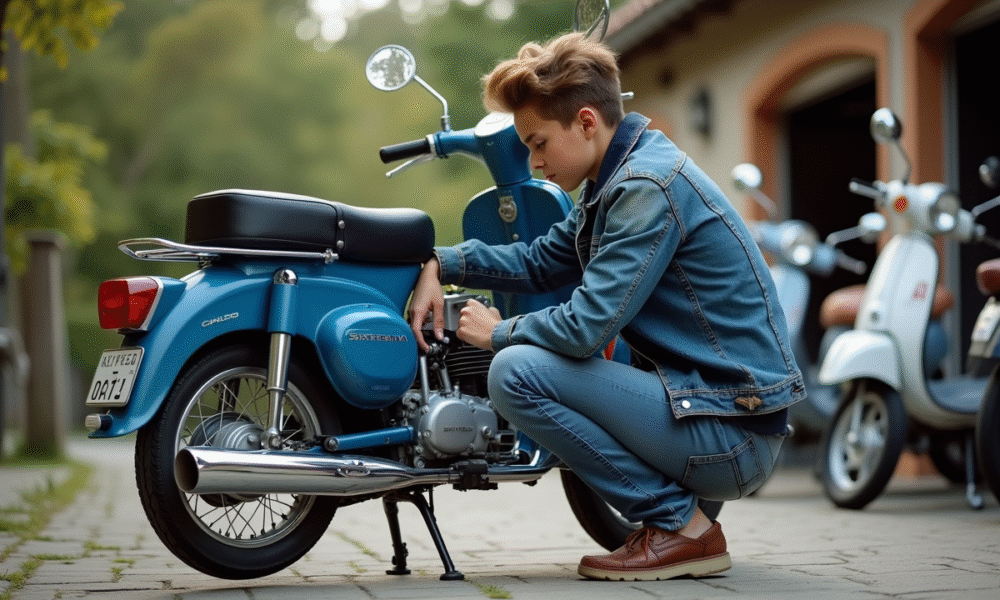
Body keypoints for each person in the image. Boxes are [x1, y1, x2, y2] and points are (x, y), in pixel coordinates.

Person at [408, 31, 804, 581]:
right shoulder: (615, 178)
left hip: (733, 430)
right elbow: (541, 262)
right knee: (524, 363)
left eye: (539, 142)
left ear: (587, 122)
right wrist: (439, 261)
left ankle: (682, 530)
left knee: (517, 371)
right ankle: (676, 527)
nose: (534, 160)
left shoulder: (645, 186)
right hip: (709, 408)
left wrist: (499, 331)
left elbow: (587, 326)